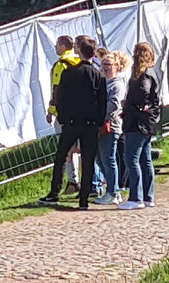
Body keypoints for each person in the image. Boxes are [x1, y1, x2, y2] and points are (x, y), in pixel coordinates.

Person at [38, 37, 106, 209]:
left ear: (79, 51)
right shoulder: (98, 75)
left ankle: (55, 191)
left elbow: (61, 96)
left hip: (71, 122)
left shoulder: (68, 73)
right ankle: (83, 199)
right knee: (88, 160)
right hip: (90, 123)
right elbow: (102, 101)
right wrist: (98, 122)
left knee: (61, 156)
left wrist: (62, 117)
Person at [118, 41, 160, 210]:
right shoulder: (151, 73)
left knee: (131, 159)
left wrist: (131, 105)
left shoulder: (144, 76)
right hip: (146, 122)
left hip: (138, 122)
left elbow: (143, 94)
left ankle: (136, 197)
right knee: (145, 159)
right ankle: (148, 196)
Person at [46, 35, 82, 192]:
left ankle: (72, 180)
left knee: (65, 149)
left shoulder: (60, 65)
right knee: (80, 148)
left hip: (63, 113)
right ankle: (85, 180)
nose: (55, 47)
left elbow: (56, 89)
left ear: (62, 46)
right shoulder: (79, 61)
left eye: (57, 45)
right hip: (78, 111)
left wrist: (51, 110)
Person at [94, 53, 124, 204]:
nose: (105, 67)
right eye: (103, 64)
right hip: (99, 125)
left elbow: (114, 105)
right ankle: (112, 188)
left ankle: (113, 192)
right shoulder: (102, 82)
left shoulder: (116, 84)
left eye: (109, 65)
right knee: (100, 159)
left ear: (117, 67)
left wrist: (100, 116)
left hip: (110, 125)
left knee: (108, 159)